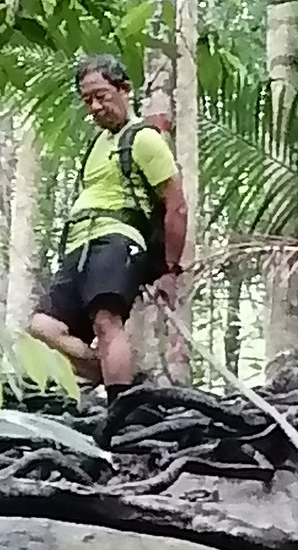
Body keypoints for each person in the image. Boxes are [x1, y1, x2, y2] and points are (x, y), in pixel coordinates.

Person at [28, 54, 187, 408]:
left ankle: (119, 411)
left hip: (117, 241)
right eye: (87, 100)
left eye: (101, 95)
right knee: (43, 326)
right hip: (80, 246)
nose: (95, 106)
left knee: (106, 322)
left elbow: (175, 205)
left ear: (124, 89)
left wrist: (169, 271)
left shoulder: (144, 140)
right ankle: (113, 376)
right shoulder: (98, 145)